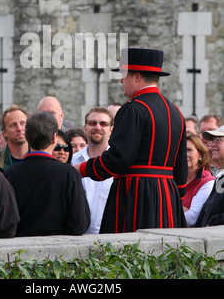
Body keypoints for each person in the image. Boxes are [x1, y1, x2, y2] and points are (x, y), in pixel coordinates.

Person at [74, 48, 187, 233]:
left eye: (123, 75)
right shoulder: (176, 113)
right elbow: (181, 169)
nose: (120, 80)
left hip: (135, 194)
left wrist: (81, 169)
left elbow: (118, 159)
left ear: (136, 76)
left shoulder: (133, 108)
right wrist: (174, 196)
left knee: (128, 254)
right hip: (168, 195)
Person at [4, 112, 90, 236]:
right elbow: (80, 223)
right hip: (59, 251)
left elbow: (6, 222)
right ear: (54, 138)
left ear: (27, 138)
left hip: (20, 250)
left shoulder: (10, 174)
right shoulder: (68, 174)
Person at [72, 107, 114, 234]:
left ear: (111, 130)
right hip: (77, 236)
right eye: (92, 123)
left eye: (103, 124)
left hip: (110, 236)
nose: (97, 127)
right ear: (85, 128)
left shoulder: (118, 165)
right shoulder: (72, 162)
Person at [182, 132, 215, 226]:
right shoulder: (174, 178)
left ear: (200, 155)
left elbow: (192, 219)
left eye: (189, 150)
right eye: (181, 150)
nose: (185, 154)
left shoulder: (207, 182)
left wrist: (170, 211)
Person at [0, 105, 30, 172]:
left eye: (23, 123)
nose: (19, 128)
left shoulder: (40, 158)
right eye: (13, 125)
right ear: (4, 132)